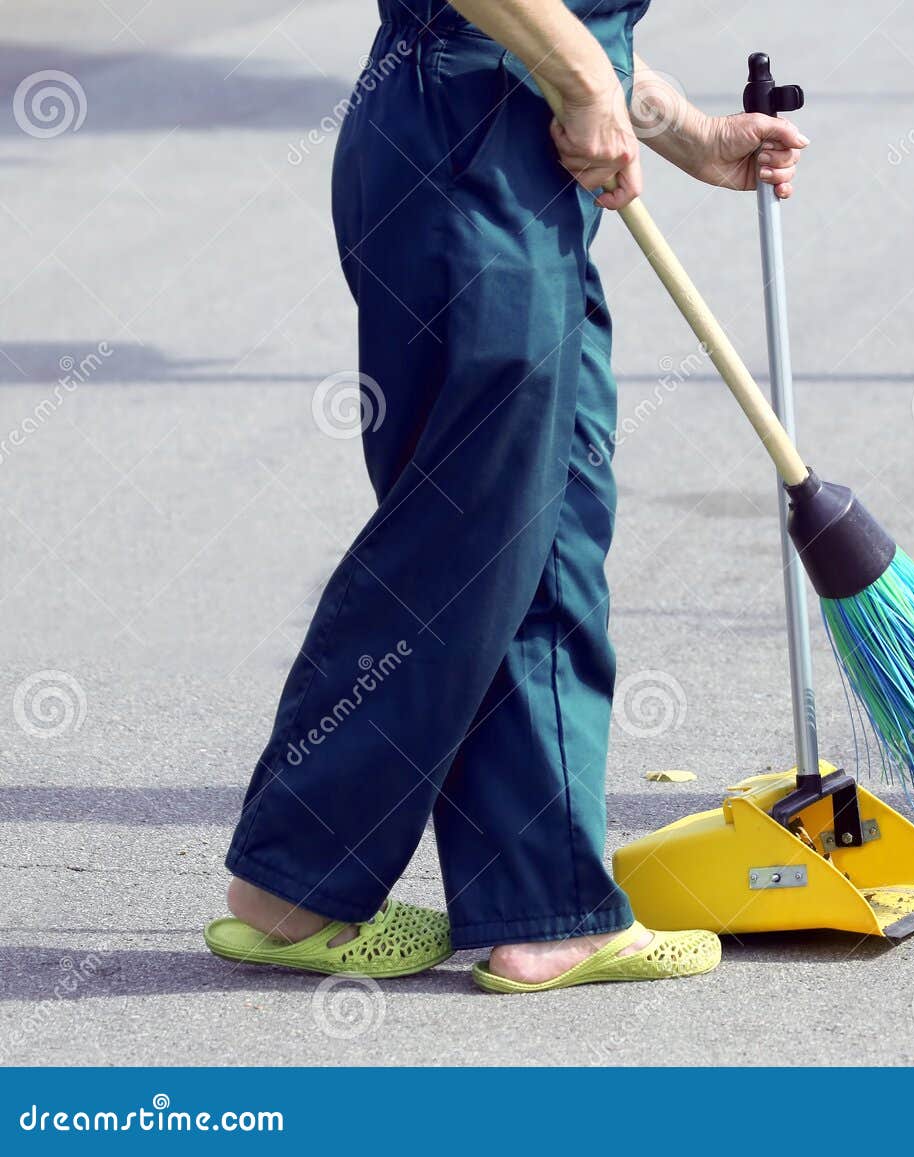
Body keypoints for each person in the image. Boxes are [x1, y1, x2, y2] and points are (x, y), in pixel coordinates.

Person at [203, 0, 806, 993]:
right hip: (471, 159)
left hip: (490, 151)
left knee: (550, 521)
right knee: (470, 531)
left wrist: (685, 129)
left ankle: (547, 904)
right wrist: (579, 81)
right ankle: (292, 879)